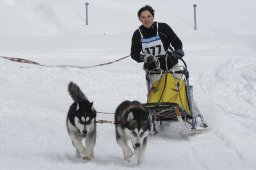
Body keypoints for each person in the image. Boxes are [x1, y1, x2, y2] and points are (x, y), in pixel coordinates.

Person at [130, 5, 185, 89]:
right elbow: (134, 54)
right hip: (153, 69)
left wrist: (178, 50)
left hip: (171, 64)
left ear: (153, 16)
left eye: (149, 16)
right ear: (140, 19)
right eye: (143, 17)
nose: (146, 19)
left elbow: (176, 41)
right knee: (158, 94)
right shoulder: (138, 34)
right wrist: (145, 58)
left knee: (176, 90)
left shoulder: (163, 27)